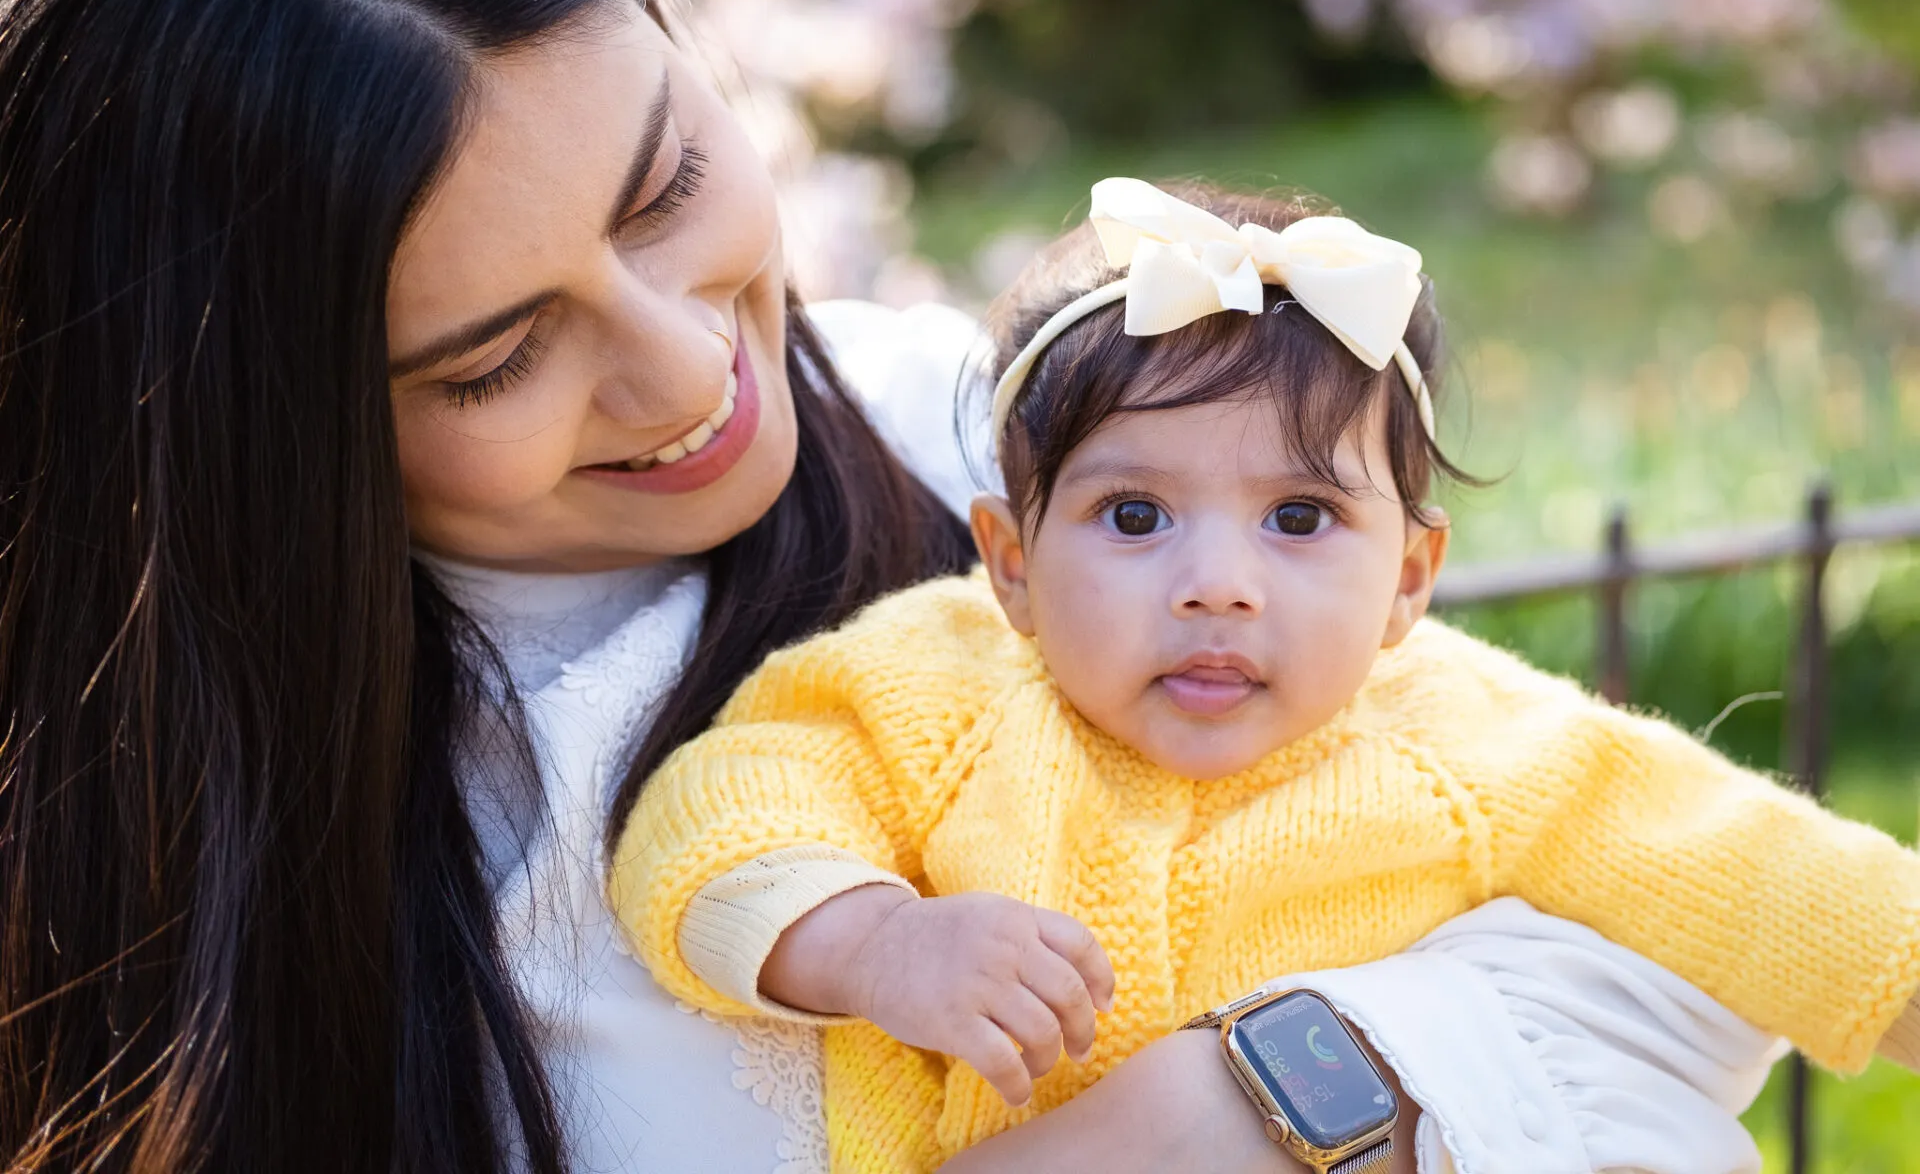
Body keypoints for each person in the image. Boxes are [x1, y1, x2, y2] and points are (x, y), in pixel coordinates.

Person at [0, 0, 1853, 1170]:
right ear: (250, 436)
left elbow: (1646, 949)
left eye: (666, 186)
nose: (685, 374)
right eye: (495, 357)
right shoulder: (141, 860)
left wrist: (1237, 1109)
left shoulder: (1038, 454)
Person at [618, 179, 1920, 1172]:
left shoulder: (1474, 745)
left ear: (1409, 577)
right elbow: (717, 811)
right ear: (1011, 563)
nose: (1217, 582)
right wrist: (871, 942)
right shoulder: (931, 682)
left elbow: (1769, 878)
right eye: (1135, 518)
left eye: (1300, 519)